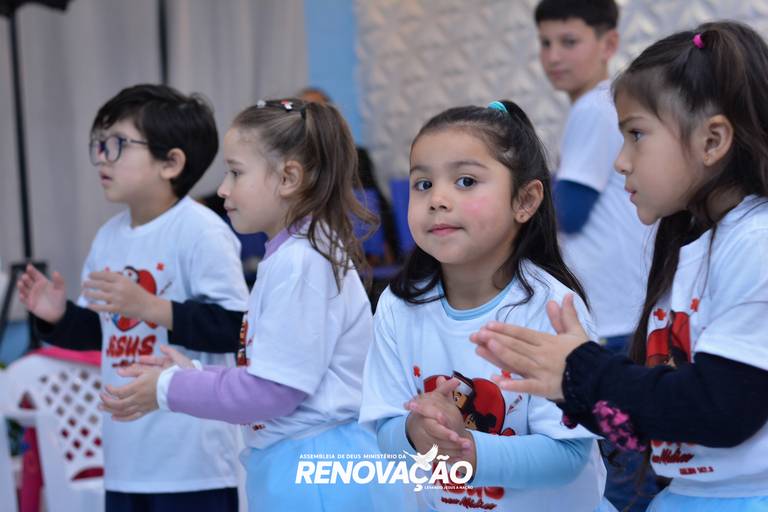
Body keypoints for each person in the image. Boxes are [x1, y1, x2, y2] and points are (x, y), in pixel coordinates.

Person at [472, 21, 768, 512]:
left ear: (712, 140)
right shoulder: (692, 245)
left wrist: (585, 370)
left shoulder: (756, 242)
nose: (621, 162)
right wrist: (570, 388)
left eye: (636, 135)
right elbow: (655, 417)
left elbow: (720, 409)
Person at [99, 98, 409, 511]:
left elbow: (273, 391)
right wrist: (193, 373)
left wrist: (169, 388)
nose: (223, 189)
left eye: (236, 172)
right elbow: (272, 373)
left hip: (316, 471)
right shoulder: (293, 256)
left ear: (289, 178)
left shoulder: (301, 262)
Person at [360, 100, 612, 511]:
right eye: (423, 184)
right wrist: (415, 431)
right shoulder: (396, 306)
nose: (437, 199)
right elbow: (385, 427)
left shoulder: (552, 308)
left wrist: (467, 449)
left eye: (465, 181)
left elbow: (567, 455)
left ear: (525, 201)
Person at [16, 84, 249, 511]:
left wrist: (150, 307)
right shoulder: (108, 237)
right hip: (126, 460)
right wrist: (58, 318)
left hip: (193, 461)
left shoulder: (201, 231)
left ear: (170, 162)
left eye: (118, 144)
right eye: (99, 144)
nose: (102, 156)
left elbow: (236, 328)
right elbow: (104, 333)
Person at [536, 0, 649, 352]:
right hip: (629, 300)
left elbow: (570, 213)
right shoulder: (610, 103)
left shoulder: (593, 107)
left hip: (612, 307)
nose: (553, 56)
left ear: (609, 43)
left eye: (569, 42)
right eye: (545, 43)